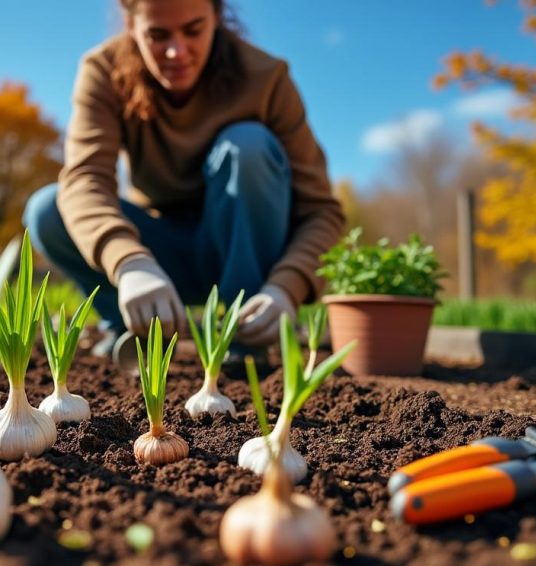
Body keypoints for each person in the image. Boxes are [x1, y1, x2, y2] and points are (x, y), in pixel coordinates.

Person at [23, 0, 344, 360]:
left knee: (249, 146)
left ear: (217, 17)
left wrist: (286, 288)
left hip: (241, 255)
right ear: (130, 24)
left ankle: (247, 338)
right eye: (158, 35)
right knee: (47, 210)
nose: (177, 52)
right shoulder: (104, 70)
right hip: (157, 259)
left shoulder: (266, 78)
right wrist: (129, 262)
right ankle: (134, 328)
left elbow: (322, 212)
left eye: (194, 30)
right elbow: (85, 179)